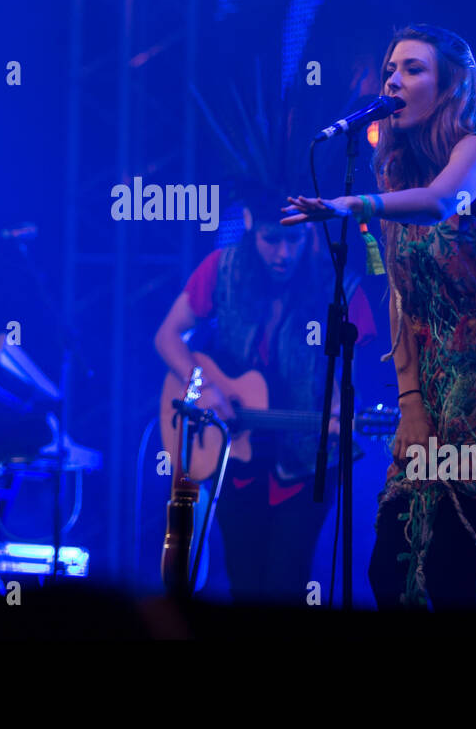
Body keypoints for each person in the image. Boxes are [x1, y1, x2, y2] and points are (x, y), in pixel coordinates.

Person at [282, 24, 476, 611]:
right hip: (430, 396)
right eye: (389, 69)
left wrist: (350, 203)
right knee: (390, 572)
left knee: (449, 579)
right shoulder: (393, 174)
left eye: (412, 69)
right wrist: (410, 406)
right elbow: (399, 297)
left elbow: (442, 203)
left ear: (450, 85)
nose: (393, 79)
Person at [155, 184, 376, 602]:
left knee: (285, 582)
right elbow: (168, 337)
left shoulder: (340, 285)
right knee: (244, 579)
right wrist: (202, 390)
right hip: (236, 454)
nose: (283, 254)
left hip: (306, 459)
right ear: (251, 227)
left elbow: (351, 382)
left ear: (309, 232)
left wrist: (339, 412)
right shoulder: (223, 268)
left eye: (294, 239)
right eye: (271, 240)